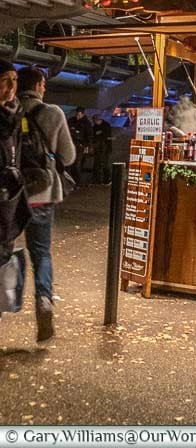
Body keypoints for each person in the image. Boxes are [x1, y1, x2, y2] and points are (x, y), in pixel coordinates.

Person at [16, 66, 76, 341]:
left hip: (11, 196)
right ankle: (43, 299)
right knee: (41, 252)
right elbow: (69, 155)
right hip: (42, 194)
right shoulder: (53, 113)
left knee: (5, 252)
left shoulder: (9, 110)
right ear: (39, 85)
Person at [0, 62, 29, 299]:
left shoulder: (15, 116)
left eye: (15, 80)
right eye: (5, 80)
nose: (11, 86)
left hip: (8, 204)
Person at [67, 107, 92, 185]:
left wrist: (86, 146)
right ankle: (71, 181)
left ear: (83, 114)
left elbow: (89, 135)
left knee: (77, 164)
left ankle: (77, 182)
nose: (77, 116)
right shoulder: (71, 120)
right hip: (71, 144)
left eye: (79, 114)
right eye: (77, 114)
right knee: (70, 164)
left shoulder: (86, 123)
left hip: (80, 146)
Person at [91, 113, 113, 184]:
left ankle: (107, 180)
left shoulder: (105, 126)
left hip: (104, 148)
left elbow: (106, 137)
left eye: (95, 121)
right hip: (99, 148)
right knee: (98, 164)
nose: (94, 122)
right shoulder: (95, 126)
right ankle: (99, 180)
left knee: (104, 164)